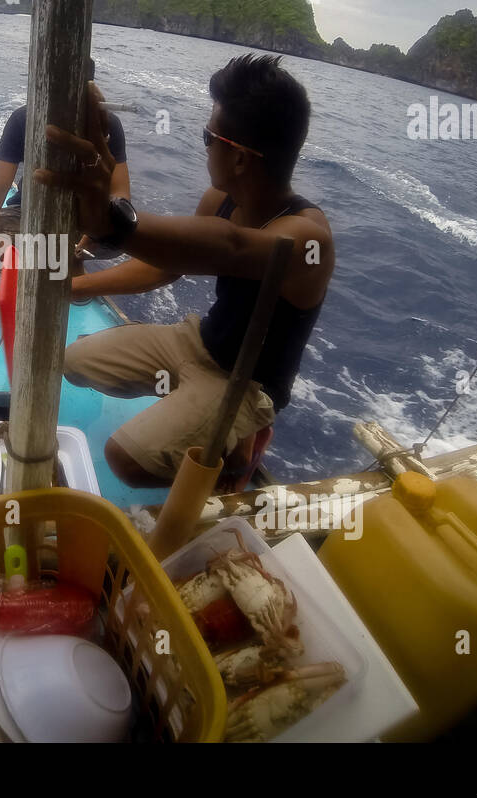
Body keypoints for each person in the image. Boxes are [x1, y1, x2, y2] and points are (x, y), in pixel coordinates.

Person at [36, 53, 333, 490]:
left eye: (208, 136)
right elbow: (167, 266)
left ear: (239, 159)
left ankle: (230, 465)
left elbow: (230, 247)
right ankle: (194, 411)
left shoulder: (310, 239)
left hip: (247, 383)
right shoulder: (221, 199)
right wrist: (78, 287)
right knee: (74, 361)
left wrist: (111, 220)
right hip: (198, 342)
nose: (204, 145)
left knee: (125, 459)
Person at [0, 59, 130, 294]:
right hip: (27, 210)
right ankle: (57, 262)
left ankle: (67, 260)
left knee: (121, 235)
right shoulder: (22, 120)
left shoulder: (108, 126)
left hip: (85, 218)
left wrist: (96, 230)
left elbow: (121, 194)